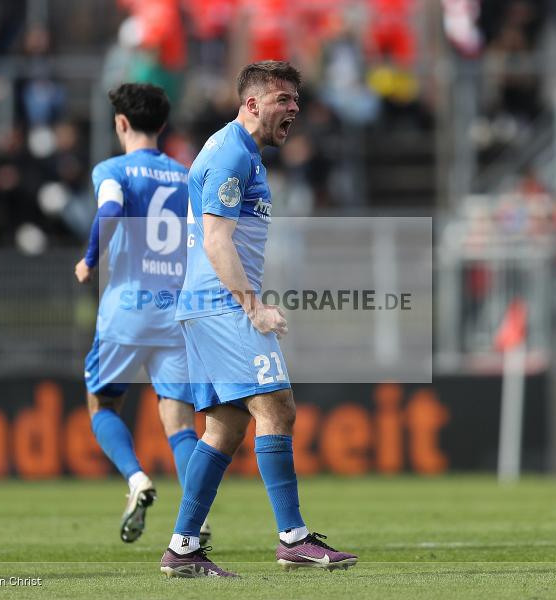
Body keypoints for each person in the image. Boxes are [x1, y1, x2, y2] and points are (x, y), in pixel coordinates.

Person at [159, 61, 357, 578]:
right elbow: (216, 238)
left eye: (296, 99)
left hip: (204, 303)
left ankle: (183, 547)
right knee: (277, 406)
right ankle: (292, 538)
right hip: (221, 303)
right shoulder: (230, 154)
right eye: (283, 99)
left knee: (225, 426)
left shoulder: (239, 152)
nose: (294, 109)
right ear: (251, 104)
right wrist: (254, 306)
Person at [74, 83, 209, 544]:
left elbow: (110, 208)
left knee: (103, 403)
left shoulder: (112, 169)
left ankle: (136, 478)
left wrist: (91, 258)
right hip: (175, 314)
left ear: (121, 124)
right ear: (164, 126)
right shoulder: (186, 176)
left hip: (127, 308)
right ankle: (198, 515)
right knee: (179, 419)